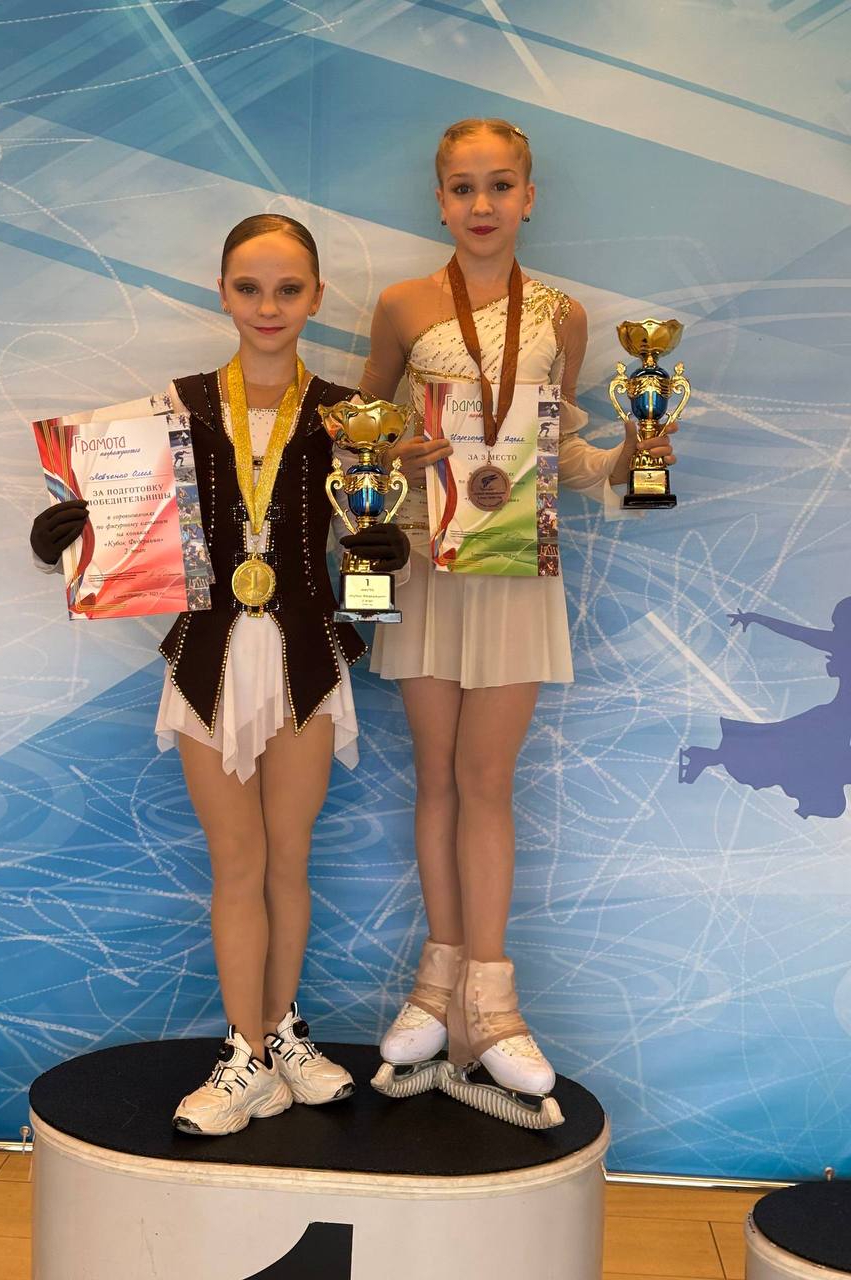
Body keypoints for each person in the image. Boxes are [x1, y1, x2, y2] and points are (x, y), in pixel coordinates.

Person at [30, 214, 408, 1136]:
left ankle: (280, 1034)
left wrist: (379, 554)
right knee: (237, 863)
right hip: (208, 657)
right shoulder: (177, 405)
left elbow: (368, 540)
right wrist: (69, 535)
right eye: (249, 288)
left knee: (290, 859)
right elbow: (127, 511)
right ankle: (245, 1057)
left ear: (316, 297)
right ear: (222, 291)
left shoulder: (350, 415)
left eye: (288, 289)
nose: (268, 306)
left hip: (307, 657)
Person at [359, 118, 678, 1128]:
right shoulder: (403, 305)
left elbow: (563, 452)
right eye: (464, 187)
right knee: (436, 775)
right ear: (439, 200)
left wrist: (635, 452)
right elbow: (357, 441)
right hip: (427, 561)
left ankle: (492, 1003)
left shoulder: (563, 316)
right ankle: (435, 987)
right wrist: (392, 458)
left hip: (516, 566)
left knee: (487, 779)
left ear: (529, 197)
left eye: (501, 185)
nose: (483, 203)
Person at [680, 599, 851, 819]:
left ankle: (708, 756)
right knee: (784, 747)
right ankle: (707, 756)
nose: (835, 629)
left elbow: (796, 633)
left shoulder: (839, 641)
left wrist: (755, 618)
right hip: (835, 720)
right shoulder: (841, 641)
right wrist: (755, 617)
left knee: (789, 751)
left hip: (835, 721)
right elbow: (796, 632)